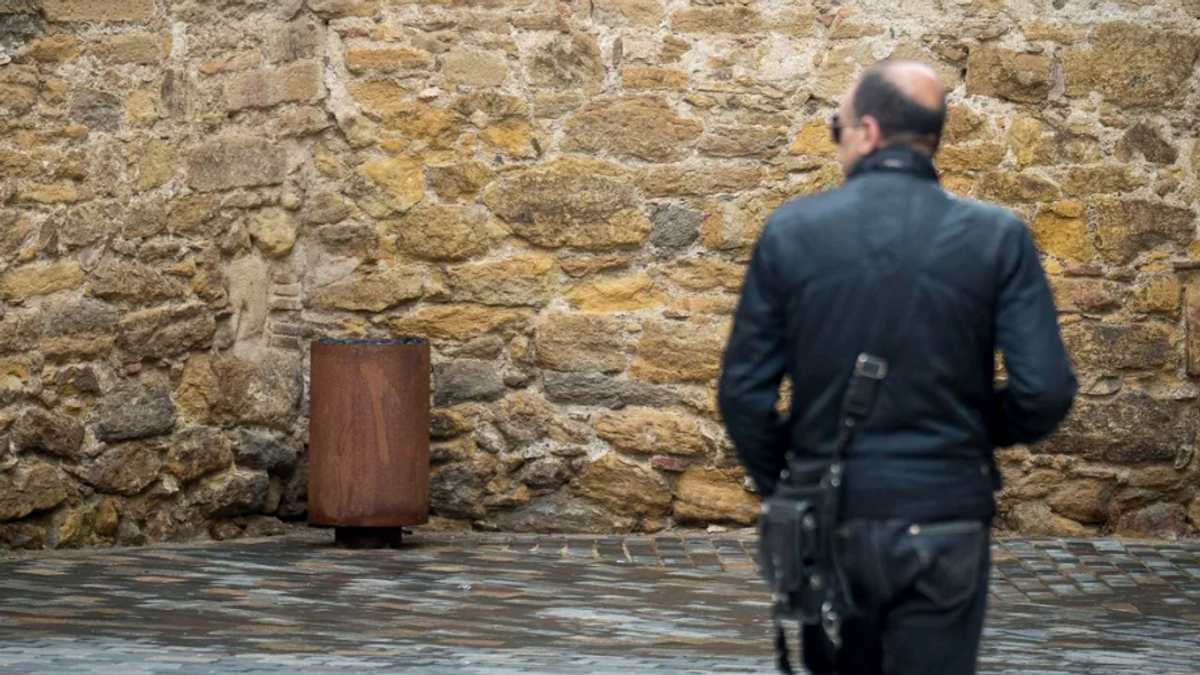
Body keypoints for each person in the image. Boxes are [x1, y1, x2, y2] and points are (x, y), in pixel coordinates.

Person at [717, 60, 1078, 675]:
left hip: (831, 520)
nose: (838, 141)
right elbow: (1043, 390)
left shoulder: (793, 233)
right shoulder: (996, 237)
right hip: (943, 517)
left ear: (870, 131)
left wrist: (794, 473)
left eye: (838, 127)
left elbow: (743, 394)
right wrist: (968, 426)